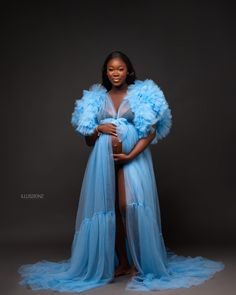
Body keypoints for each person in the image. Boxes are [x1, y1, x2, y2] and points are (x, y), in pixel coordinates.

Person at [18, 51, 224, 293]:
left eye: (120, 69)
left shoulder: (141, 95)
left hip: (132, 159)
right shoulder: (96, 99)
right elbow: (87, 140)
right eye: (111, 69)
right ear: (105, 73)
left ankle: (138, 263)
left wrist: (130, 155)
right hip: (102, 162)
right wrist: (98, 129)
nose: (116, 73)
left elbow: (150, 132)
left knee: (129, 207)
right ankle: (123, 263)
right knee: (111, 210)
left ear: (129, 71)